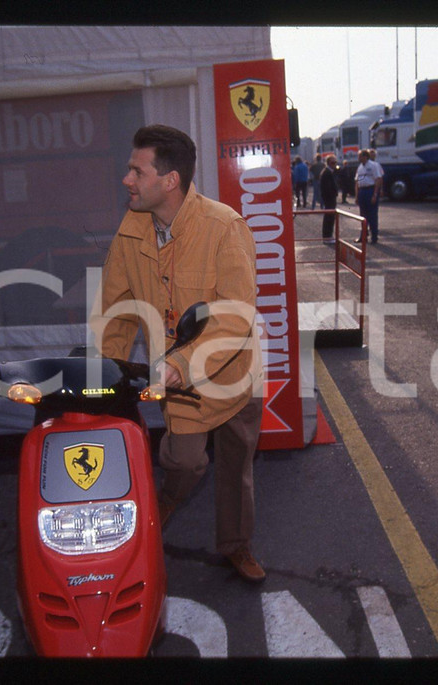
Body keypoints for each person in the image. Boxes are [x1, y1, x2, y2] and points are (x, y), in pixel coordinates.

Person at [90, 124, 266, 582]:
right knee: (185, 461)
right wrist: (105, 372)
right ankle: (169, 497)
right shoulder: (131, 230)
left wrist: (178, 364)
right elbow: (114, 310)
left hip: (233, 375)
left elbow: (235, 316)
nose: (127, 179)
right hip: (179, 382)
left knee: (237, 470)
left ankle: (236, 546)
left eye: (137, 171)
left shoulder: (224, 227)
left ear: (170, 180)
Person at [354, 149, 383, 244]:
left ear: (365, 156)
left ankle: (374, 237)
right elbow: (357, 182)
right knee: (363, 215)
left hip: (370, 190)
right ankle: (363, 236)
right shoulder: (360, 167)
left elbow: (378, 179)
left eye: (360, 156)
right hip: (362, 191)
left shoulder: (374, 165)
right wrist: (357, 196)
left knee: (372, 215)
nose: (358, 158)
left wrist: (375, 194)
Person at [319, 154, 339, 244]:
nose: (334, 164)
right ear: (328, 163)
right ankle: (327, 237)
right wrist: (333, 194)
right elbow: (327, 188)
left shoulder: (329, 172)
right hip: (329, 198)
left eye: (335, 162)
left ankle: (328, 236)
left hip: (330, 198)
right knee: (329, 217)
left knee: (330, 217)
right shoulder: (327, 173)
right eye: (333, 162)